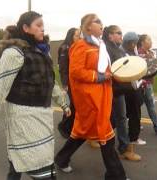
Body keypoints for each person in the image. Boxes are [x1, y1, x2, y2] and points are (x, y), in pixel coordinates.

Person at [0, 11, 71, 180]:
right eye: (38, 25)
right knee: (38, 163)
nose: (42, 29)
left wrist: (63, 103)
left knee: (19, 160)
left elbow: (49, 81)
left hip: (43, 115)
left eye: (43, 26)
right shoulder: (14, 53)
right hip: (23, 117)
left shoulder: (42, 52)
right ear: (25, 28)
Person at [54, 14, 129, 180]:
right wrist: (99, 77)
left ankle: (61, 158)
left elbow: (107, 70)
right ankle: (116, 175)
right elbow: (76, 71)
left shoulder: (100, 46)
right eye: (97, 21)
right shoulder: (80, 46)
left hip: (102, 96)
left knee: (82, 132)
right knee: (105, 133)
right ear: (87, 27)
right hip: (89, 99)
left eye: (101, 21)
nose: (102, 24)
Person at [102, 26, 141, 161]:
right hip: (111, 90)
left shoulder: (118, 50)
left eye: (121, 33)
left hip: (119, 90)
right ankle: (122, 148)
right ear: (110, 36)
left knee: (119, 118)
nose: (121, 36)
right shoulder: (105, 50)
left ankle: (123, 147)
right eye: (118, 33)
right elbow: (112, 73)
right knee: (116, 118)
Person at [137, 34, 157, 135]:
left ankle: (136, 123)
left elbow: (153, 68)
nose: (151, 42)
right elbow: (145, 68)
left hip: (148, 83)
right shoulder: (138, 54)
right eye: (149, 40)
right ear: (142, 42)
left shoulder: (150, 53)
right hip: (142, 83)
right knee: (147, 105)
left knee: (140, 105)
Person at [121, 32, 147, 146]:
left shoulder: (131, 51)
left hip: (134, 86)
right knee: (134, 114)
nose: (136, 45)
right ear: (131, 43)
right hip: (131, 88)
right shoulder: (125, 54)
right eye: (135, 43)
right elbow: (131, 72)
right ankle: (133, 138)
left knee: (127, 114)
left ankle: (133, 135)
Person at [57, 27, 80, 139]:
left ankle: (70, 127)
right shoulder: (65, 48)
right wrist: (65, 83)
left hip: (77, 81)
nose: (79, 37)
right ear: (71, 36)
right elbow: (63, 67)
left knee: (76, 106)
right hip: (70, 82)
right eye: (77, 35)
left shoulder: (76, 47)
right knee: (73, 106)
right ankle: (64, 126)